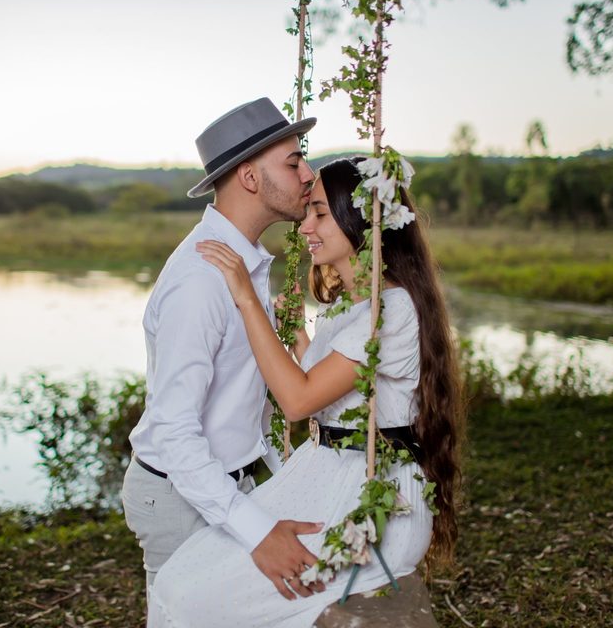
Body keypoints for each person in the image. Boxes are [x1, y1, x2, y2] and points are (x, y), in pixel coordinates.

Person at [147, 157, 465, 626]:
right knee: (179, 581)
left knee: (196, 598)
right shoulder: (348, 309)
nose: (305, 228)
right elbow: (334, 391)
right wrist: (296, 339)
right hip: (326, 477)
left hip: (372, 498)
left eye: (319, 213)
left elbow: (298, 400)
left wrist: (246, 298)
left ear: (361, 223)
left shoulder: (393, 309)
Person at [121, 97, 328, 614]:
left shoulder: (241, 264)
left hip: (224, 485)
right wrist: (259, 532)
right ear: (250, 178)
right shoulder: (201, 280)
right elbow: (174, 431)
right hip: (182, 495)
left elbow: (240, 395)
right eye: (293, 161)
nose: (308, 174)